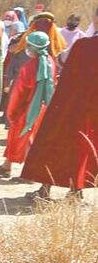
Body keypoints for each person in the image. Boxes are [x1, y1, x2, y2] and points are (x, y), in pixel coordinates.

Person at [21, 32, 98, 198]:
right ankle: (76, 191)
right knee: (85, 147)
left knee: (55, 141)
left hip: (72, 104)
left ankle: (45, 188)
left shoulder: (83, 45)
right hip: (93, 111)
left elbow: (67, 72)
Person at [0, 31, 57, 193]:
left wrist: (11, 112)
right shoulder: (50, 62)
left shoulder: (30, 66)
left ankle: (27, 173)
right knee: (30, 137)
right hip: (42, 107)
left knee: (24, 138)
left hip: (27, 108)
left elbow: (19, 92)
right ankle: (7, 166)